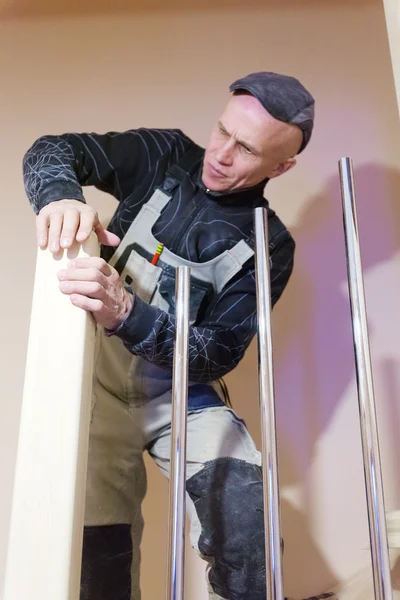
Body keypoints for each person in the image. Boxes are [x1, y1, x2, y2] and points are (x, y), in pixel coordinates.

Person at [23, 71, 336, 600]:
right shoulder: (161, 155)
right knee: (100, 558)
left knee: (246, 524)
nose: (221, 154)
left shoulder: (270, 243)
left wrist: (128, 312)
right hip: (97, 391)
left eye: (247, 150)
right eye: (222, 132)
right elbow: (52, 149)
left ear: (282, 166)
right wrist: (59, 197)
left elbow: (218, 353)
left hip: (181, 396)